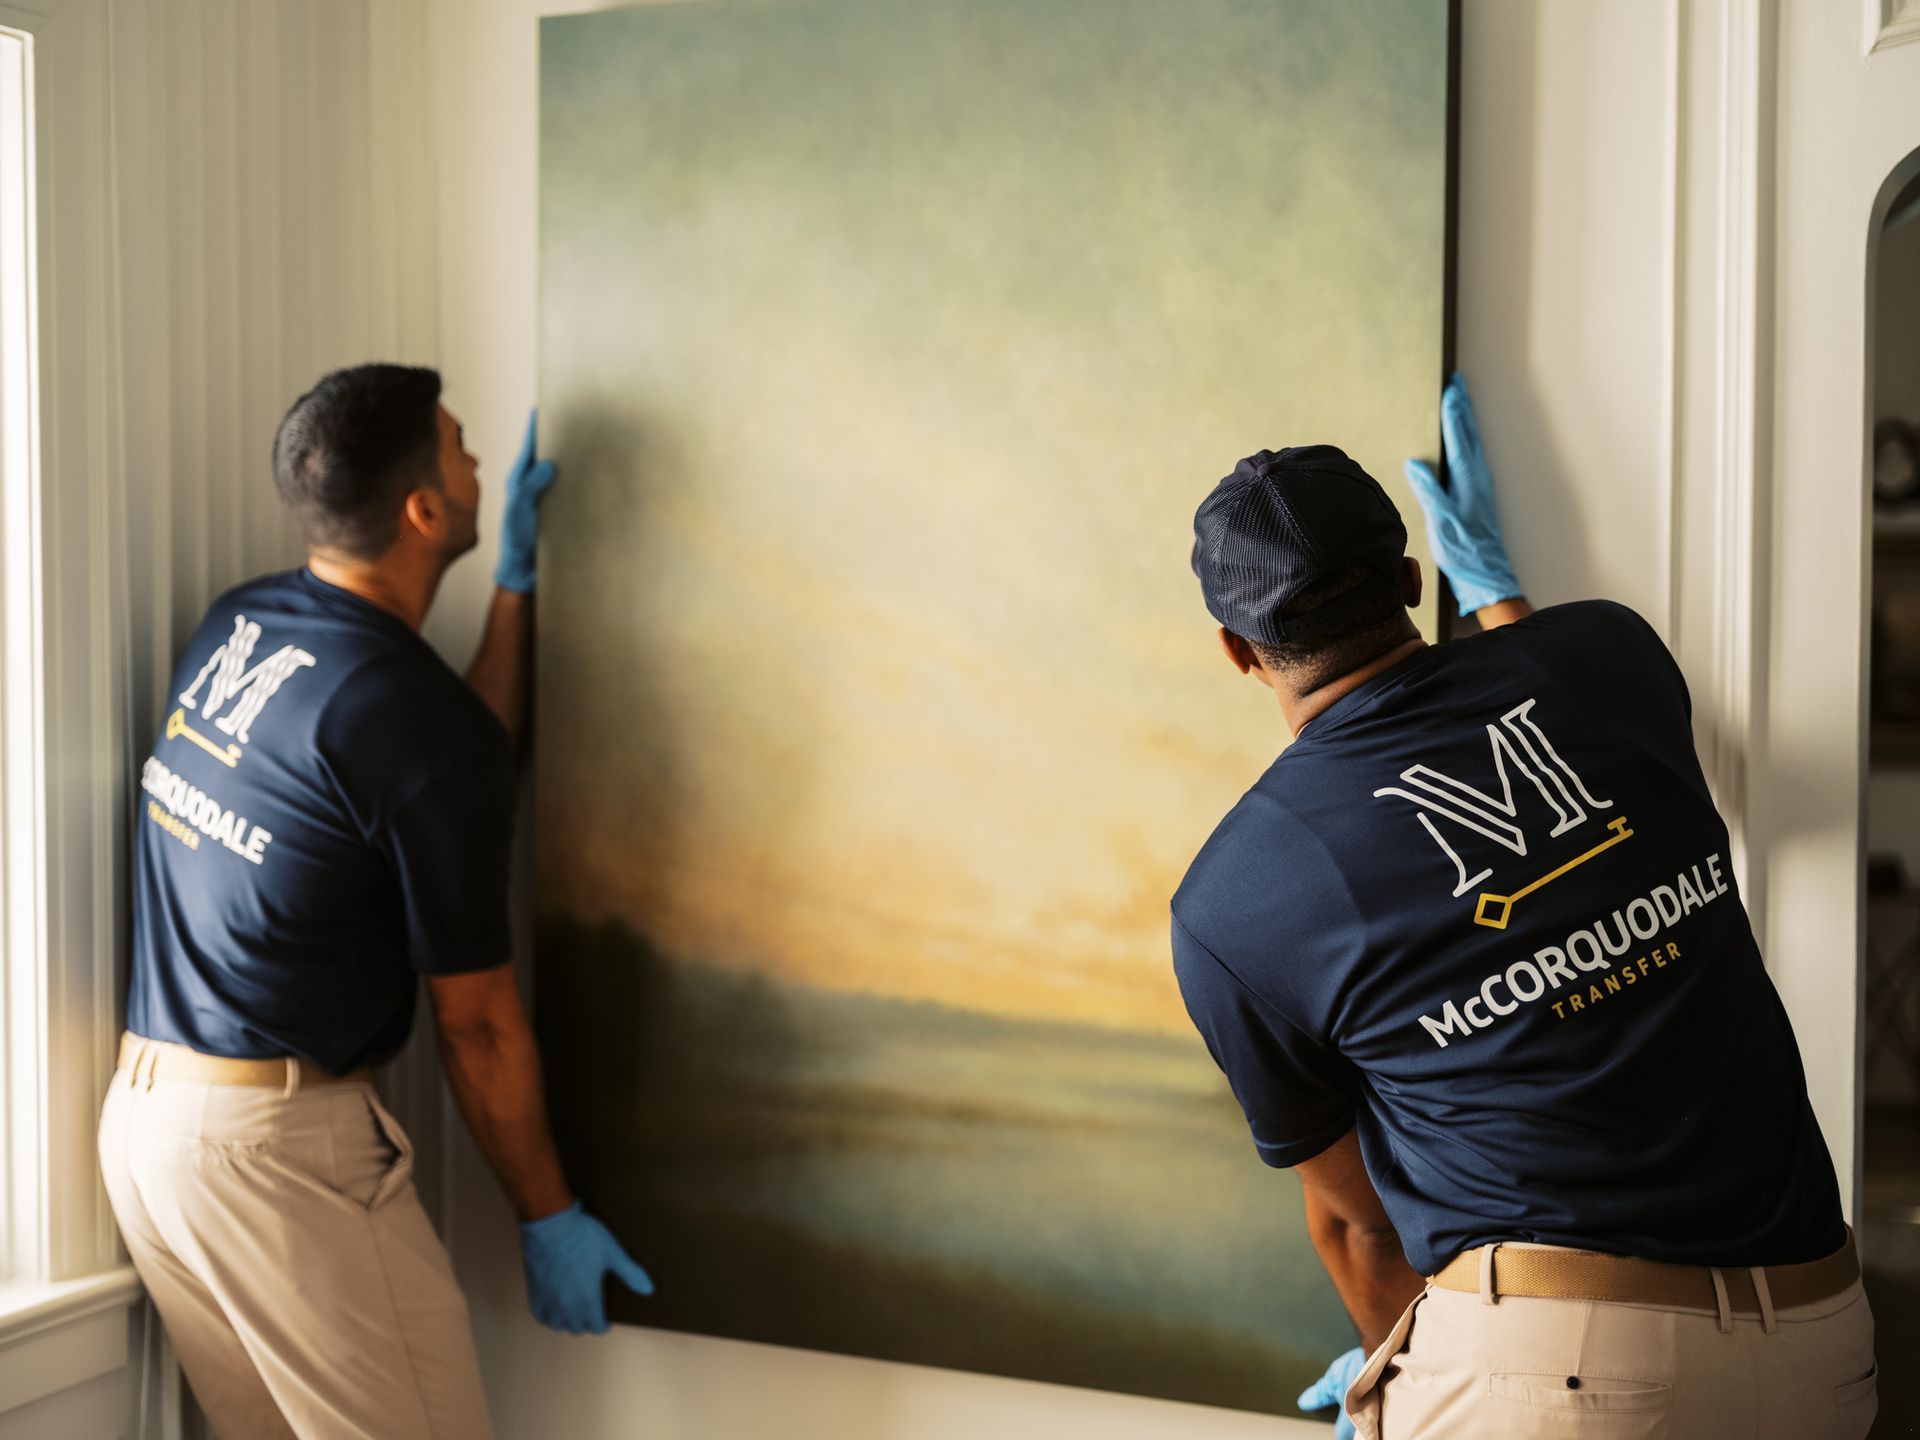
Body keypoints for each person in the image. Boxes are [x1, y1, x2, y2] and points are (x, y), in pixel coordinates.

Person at [1172, 375, 1877, 1439]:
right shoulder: (1610, 655)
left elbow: (1359, 1225)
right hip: (1821, 1341)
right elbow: (1548, 680)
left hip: (1553, 1375)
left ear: (1236, 648)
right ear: (1415, 575)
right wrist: (1498, 593)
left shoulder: (1232, 900)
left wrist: (1388, 1381)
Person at [97, 364, 652, 1440]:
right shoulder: (415, 726)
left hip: (151, 1130)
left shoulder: (242, 623)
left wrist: (515, 587)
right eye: (458, 444)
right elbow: (479, 1029)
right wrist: (549, 1215)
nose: (479, 457)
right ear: (423, 509)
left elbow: (443, 761)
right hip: (275, 1157)